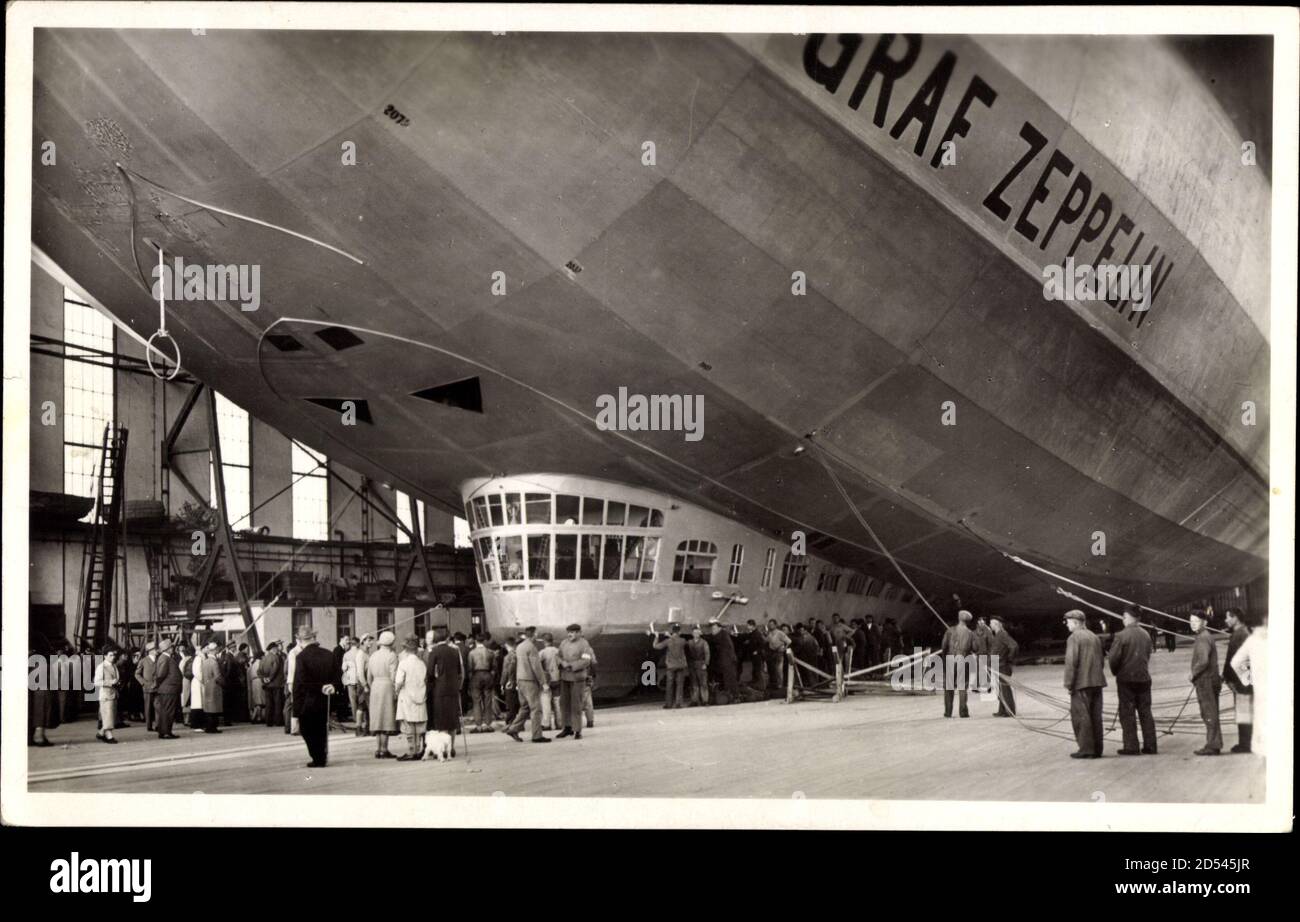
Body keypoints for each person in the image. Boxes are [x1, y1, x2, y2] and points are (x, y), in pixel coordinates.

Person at [1107, 606, 1157, 754]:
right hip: (1144, 678)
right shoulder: (1146, 634)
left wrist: (1117, 672)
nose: (1123, 619)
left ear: (1129, 617)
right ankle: (1151, 746)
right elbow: (1147, 655)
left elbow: (1113, 659)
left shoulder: (1121, 636)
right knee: (1146, 712)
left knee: (1127, 713)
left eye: (1124, 617)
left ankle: (1131, 746)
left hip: (1126, 679)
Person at [292, 628, 340, 768]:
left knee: (308, 730)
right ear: (314, 638)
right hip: (326, 699)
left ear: (300, 641)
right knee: (321, 728)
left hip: (308, 701)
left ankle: (317, 757)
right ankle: (322, 755)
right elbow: (339, 675)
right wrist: (332, 686)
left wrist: (296, 710)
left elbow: (300, 683)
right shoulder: (328, 654)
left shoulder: (301, 657)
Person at [1063, 610, 1106, 758]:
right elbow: (1101, 660)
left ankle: (1086, 749)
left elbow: (1071, 662)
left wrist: (1069, 683)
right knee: (1096, 717)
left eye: (1068, 622)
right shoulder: (1094, 636)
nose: (1067, 625)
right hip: (1097, 682)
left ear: (1075, 622)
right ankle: (1097, 749)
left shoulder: (1074, 637)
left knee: (1081, 717)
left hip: (1081, 683)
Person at [505, 627, 550, 743]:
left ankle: (513, 729)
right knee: (536, 708)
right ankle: (537, 735)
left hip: (520, 680)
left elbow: (513, 664)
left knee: (525, 707)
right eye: (536, 634)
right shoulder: (532, 647)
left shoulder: (519, 646)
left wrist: (513, 680)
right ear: (534, 634)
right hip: (530, 680)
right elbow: (536, 667)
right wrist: (543, 682)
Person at [1229, 615, 1266, 754]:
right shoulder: (1251, 636)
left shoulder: (1245, 636)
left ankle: (1246, 743)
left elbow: (1235, 661)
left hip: (1244, 683)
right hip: (1253, 681)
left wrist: (1245, 680)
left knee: (1245, 714)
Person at [1188, 612, 1222, 756]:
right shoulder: (1206, 636)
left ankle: (1213, 745)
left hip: (1205, 681)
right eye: (1191, 621)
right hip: (1211, 679)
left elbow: (1203, 661)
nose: (1193, 623)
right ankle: (1214, 743)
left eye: (1196, 621)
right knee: (1211, 712)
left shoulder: (1202, 638)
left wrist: (1193, 673)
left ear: (1204, 622)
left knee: (1209, 713)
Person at [1222, 608, 1253, 754]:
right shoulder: (1244, 632)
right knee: (1245, 711)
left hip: (1241, 681)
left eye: (1228, 617)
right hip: (1245, 678)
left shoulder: (1238, 635)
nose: (1226, 620)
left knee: (1243, 711)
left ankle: (1245, 744)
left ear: (1235, 618)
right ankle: (1247, 742)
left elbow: (1233, 659)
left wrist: (1228, 677)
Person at [428, 627, 463, 756]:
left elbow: (430, 672)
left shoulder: (434, 652)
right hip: (453, 688)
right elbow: (459, 671)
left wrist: (432, 683)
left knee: (441, 719)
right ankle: (452, 747)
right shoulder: (454, 651)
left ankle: (442, 748)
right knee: (452, 719)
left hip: (440, 689)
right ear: (446, 638)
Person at [557, 623, 595, 738]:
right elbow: (558, 656)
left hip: (577, 679)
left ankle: (577, 730)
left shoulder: (584, 644)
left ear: (579, 633)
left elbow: (586, 660)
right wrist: (562, 663)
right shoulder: (563, 643)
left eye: (573, 632)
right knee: (564, 704)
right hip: (564, 677)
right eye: (569, 632)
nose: (570, 634)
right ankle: (567, 728)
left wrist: (572, 666)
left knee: (576, 705)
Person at [394, 636, 428, 760]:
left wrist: (397, 691)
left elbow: (398, 681)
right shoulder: (422, 663)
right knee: (418, 723)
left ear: (406, 650)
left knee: (408, 724)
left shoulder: (403, 663)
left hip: (407, 696)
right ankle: (418, 749)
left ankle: (411, 750)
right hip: (420, 696)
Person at [940, 611, 978, 718]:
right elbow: (975, 648)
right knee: (962, 687)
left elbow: (943, 647)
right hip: (963, 660)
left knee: (949, 687)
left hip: (951, 659)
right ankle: (963, 712)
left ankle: (948, 712)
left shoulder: (950, 630)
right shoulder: (970, 633)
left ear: (959, 618)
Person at [367, 631, 399, 759]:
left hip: (375, 685)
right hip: (387, 685)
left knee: (377, 717)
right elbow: (393, 675)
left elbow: (369, 676)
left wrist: (371, 686)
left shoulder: (373, 655)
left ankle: (378, 749)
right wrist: (395, 690)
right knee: (386, 716)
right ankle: (384, 749)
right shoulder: (392, 656)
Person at [987, 617, 1019, 717]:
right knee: (1000, 689)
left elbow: (1014, 646)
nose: (990, 625)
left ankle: (1010, 711)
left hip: (1003, 666)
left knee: (1005, 689)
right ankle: (1002, 710)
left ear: (996, 624)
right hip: (997, 665)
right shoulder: (998, 635)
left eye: (991, 623)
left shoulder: (1002, 634)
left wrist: (1008, 659)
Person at [652, 623, 689, 709]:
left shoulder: (668, 641)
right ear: (679, 632)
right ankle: (678, 704)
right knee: (679, 685)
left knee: (669, 685)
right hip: (681, 666)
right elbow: (684, 643)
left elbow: (655, 646)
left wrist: (657, 636)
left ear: (672, 631)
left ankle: (668, 704)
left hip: (671, 666)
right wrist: (670, 636)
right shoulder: (682, 640)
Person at [153, 638, 182, 739]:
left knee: (165, 711)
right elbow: (160, 675)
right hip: (168, 690)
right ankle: (166, 732)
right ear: (168, 649)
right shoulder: (165, 658)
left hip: (167, 689)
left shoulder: (165, 658)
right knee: (168, 711)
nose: (173, 649)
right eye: (171, 647)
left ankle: (164, 731)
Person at [468, 635, 496, 732]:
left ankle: (478, 725)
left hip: (476, 675)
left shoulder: (472, 653)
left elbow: (470, 667)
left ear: (476, 641)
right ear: (484, 641)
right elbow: (494, 667)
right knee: (488, 700)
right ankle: (488, 724)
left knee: (476, 701)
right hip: (487, 674)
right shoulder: (490, 652)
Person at [93, 649, 120, 744]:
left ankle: (101, 733)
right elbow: (96, 682)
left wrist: (117, 682)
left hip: (113, 694)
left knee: (111, 716)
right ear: (105, 656)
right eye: (111, 655)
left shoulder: (114, 666)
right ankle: (109, 736)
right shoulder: (101, 667)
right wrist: (110, 683)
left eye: (114, 655)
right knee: (108, 716)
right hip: (105, 695)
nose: (113, 657)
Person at [709, 621, 740, 703]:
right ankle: (733, 697)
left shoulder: (722, 634)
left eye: (714, 628)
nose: (712, 630)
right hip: (727, 661)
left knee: (730, 679)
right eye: (712, 628)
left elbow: (714, 639)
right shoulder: (724, 634)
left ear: (719, 628)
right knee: (729, 679)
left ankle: (735, 697)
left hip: (728, 662)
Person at [538, 633, 563, 730]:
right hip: (557, 679)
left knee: (546, 702)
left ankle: (546, 724)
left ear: (544, 642)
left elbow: (538, 666)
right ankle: (560, 723)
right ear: (552, 640)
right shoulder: (558, 651)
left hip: (546, 680)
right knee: (557, 702)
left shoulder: (542, 653)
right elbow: (562, 665)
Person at [200, 642, 226, 734]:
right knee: (214, 708)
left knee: (208, 707)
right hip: (215, 687)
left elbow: (202, 676)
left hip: (207, 686)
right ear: (215, 650)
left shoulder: (205, 661)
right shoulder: (214, 662)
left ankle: (208, 727)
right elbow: (218, 676)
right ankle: (213, 727)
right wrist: (224, 683)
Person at [259, 641, 285, 728]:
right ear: (274, 649)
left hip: (267, 685)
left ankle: (268, 721)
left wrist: (264, 679)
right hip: (276, 684)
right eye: (277, 648)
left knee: (269, 703)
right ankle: (278, 721)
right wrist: (270, 678)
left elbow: (259, 671)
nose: (278, 649)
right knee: (278, 703)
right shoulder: (276, 657)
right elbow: (275, 669)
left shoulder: (263, 658)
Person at [135, 641, 158, 733]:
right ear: (150, 651)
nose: (157, 650)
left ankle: (158, 725)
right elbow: (137, 674)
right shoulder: (143, 661)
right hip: (147, 688)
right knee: (148, 707)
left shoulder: (159, 660)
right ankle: (149, 725)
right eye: (155, 649)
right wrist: (143, 683)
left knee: (158, 707)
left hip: (158, 687)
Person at [687, 625, 711, 706]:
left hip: (701, 663)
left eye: (697, 632)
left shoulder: (704, 642)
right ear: (692, 633)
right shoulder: (689, 642)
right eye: (694, 632)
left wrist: (706, 663)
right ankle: (694, 701)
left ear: (700, 633)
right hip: (692, 664)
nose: (696, 634)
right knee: (694, 683)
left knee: (703, 683)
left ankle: (705, 701)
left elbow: (707, 653)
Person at [354, 634, 373, 736]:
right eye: (368, 640)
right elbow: (360, 672)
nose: (371, 642)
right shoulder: (361, 654)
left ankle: (367, 727)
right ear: (363, 642)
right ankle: (358, 728)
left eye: (371, 640)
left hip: (367, 683)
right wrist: (365, 685)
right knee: (361, 707)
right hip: (363, 683)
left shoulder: (367, 653)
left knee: (366, 707)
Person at [765, 621, 789, 697]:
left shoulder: (780, 633)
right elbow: (766, 641)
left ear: (775, 625)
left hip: (779, 653)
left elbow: (789, 641)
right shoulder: (770, 633)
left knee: (779, 670)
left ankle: (780, 686)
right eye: (769, 625)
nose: (770, 626)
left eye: (772, 624)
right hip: (772, 653)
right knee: (774, 670)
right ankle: (777, 686)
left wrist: (784, 648)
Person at [500, 638, 519, 725]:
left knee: (510, 702)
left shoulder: (508, 657)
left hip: (510, 682)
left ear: (507, 646)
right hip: (519, 680)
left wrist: (502, 683)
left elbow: (506, 671)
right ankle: (516, 721)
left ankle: (510, 721)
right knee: (516, 702)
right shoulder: (518, 654)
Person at [247, 646, 265, 724]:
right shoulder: (260, 663)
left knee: (257, 700)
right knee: (260, 701)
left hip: (254, 683)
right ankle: (256, 717)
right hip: (259, 682)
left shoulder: (253, 664)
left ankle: (258, 717)